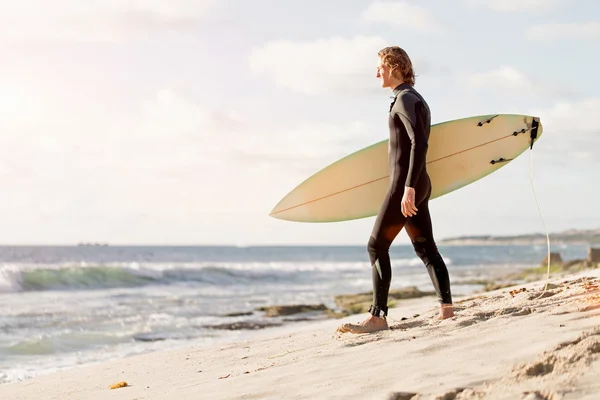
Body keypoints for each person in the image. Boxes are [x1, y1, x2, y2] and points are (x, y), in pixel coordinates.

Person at [337, 46, 454, 334]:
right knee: (426, 247)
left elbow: (419, 144)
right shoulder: (413, 99)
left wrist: (409, 188)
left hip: (406, 184)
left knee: (376, 246)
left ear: (393, 66)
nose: (376, 72)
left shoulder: (405, 99)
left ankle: (377, 317)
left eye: (380, 66)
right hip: (416, 182)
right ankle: (447, 310)